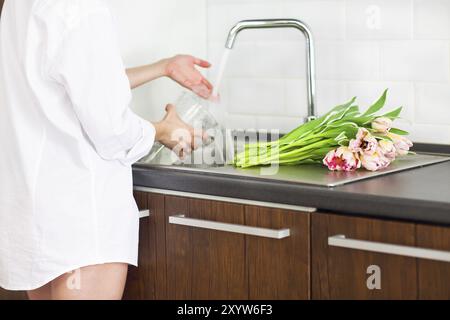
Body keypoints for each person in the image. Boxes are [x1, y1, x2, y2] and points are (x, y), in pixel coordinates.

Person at [0, 0, 213, 300]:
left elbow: (74, 82)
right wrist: (163, 129)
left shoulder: (18, 5)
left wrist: (162, 68)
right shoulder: (83, 8)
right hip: (82, 221)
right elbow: (112, 129)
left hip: (40, 220)